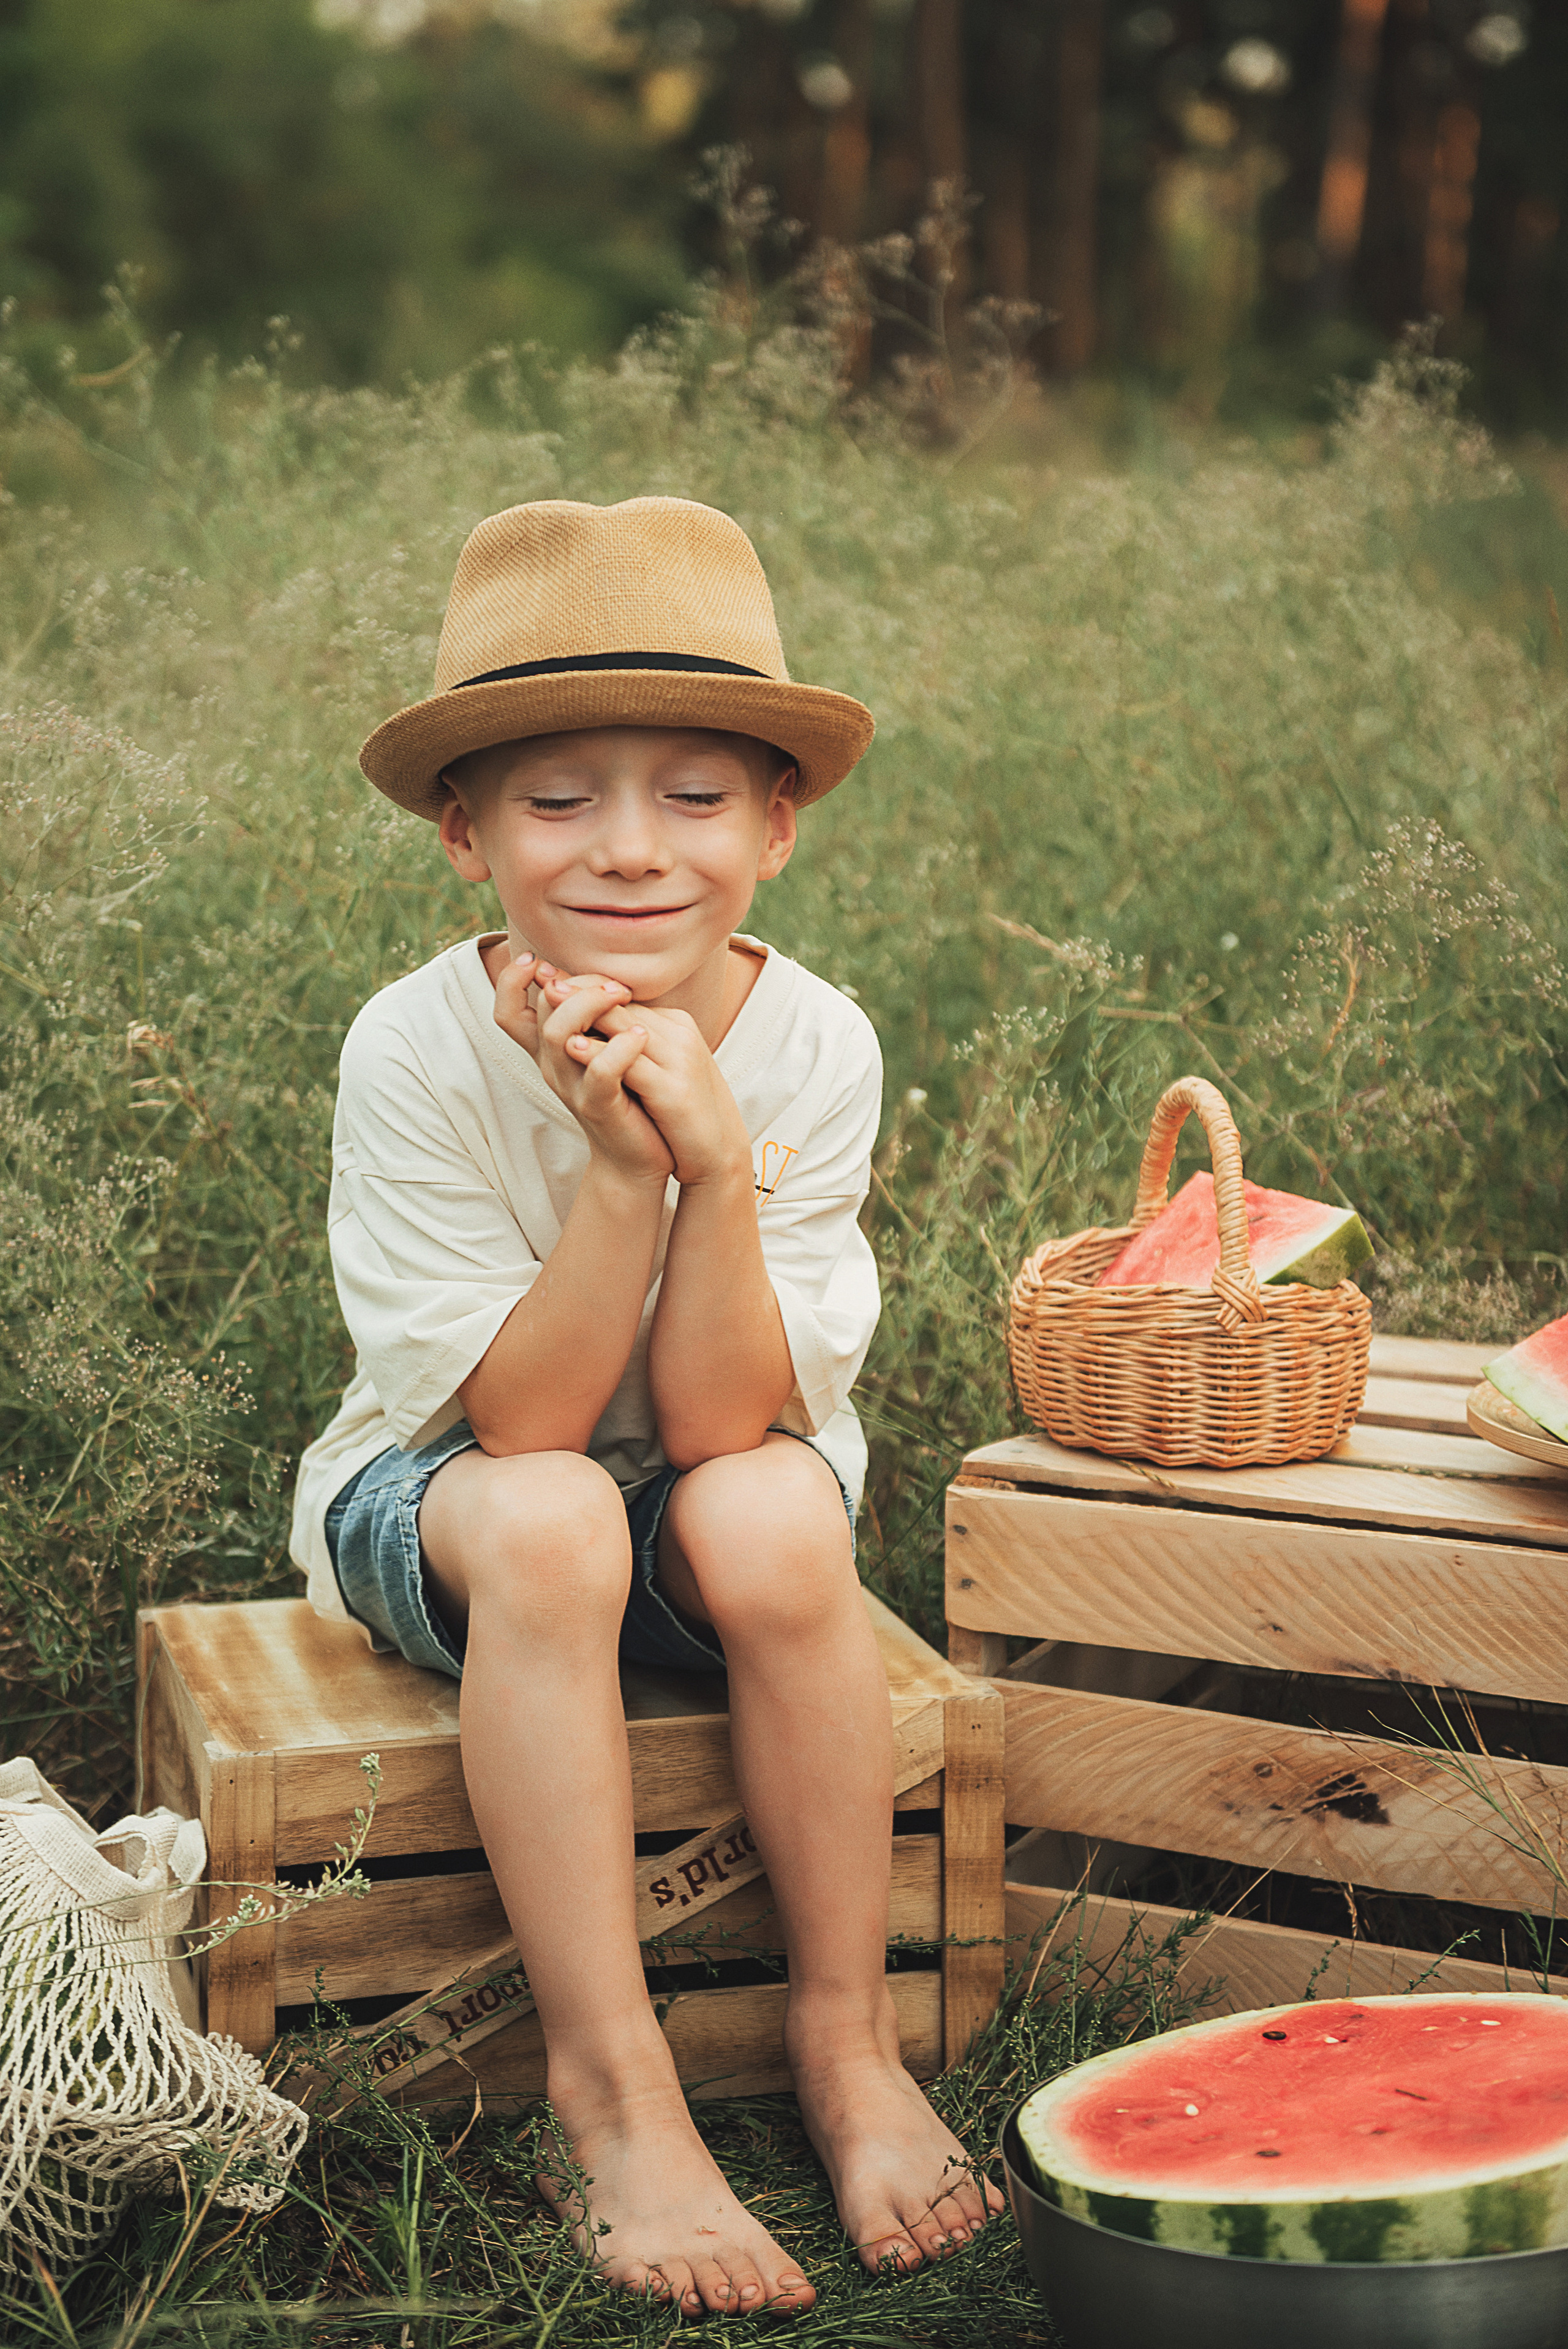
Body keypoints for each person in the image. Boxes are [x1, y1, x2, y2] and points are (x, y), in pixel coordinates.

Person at [290, 495, 1000, 2316]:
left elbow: (719, 1426)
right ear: (463, 831)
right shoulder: (414, 1046)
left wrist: (722, 1164)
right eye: (556, 798)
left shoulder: (816, 1041)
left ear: (778, 820)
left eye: (695, 794)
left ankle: (845, 2044)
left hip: (689, 1486)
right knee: (552, 1519)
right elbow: (520, 1433)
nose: (629, 849)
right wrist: (622, 1173)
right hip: (456, 1499)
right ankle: (613, 2086)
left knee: (779, 1509)